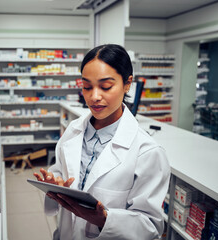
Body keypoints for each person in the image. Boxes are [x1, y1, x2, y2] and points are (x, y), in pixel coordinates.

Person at [33, 44, 171, 240]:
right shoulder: (73, 130)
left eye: (106, 87)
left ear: (127, 83)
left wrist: (105, 219)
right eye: (87, 87)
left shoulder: (148, 152)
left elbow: (150, 226)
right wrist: (55, 182)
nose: (94, 96)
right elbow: (60, 170)